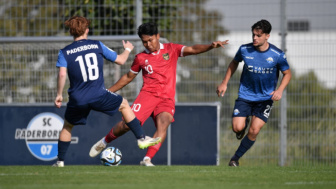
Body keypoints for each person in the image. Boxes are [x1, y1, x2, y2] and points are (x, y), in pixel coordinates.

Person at [89, 22, 229, 166]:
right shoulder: (140, 58)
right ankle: (104, 141)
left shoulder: (172, 49)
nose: (148, 44)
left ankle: (147, 159)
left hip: (166, 98)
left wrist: (210, 46)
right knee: (127, 125)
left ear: (158, 36)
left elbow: (192, 49)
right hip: (147, 96)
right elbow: (128, 77)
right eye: (144, 42)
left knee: (164, 122)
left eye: (151, 40)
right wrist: (107, 92)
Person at [52, 16, 161, 167]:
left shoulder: (64, 52)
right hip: (98, 94)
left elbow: (62, 74)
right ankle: (141, 138)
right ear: (87, 30)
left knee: (68, 126)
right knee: (123, 104)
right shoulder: (97, 45)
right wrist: (128, 49)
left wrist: (59, 94)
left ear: (71, 32)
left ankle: (60, 161)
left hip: (77, 98)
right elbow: (121, 60)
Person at [216, 19, 292, 167]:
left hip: (265, 99)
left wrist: (280, 90)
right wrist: (224, 82)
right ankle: (242, 126)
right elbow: (234, 63)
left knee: (254, 130)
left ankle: (235, 158)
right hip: (245, 96)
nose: (255, 38)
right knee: (237, 128)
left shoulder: (277, 55)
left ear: (267, 36)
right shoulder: (245, 50)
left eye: (258, 35)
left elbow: (287, 74)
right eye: (253, 35)